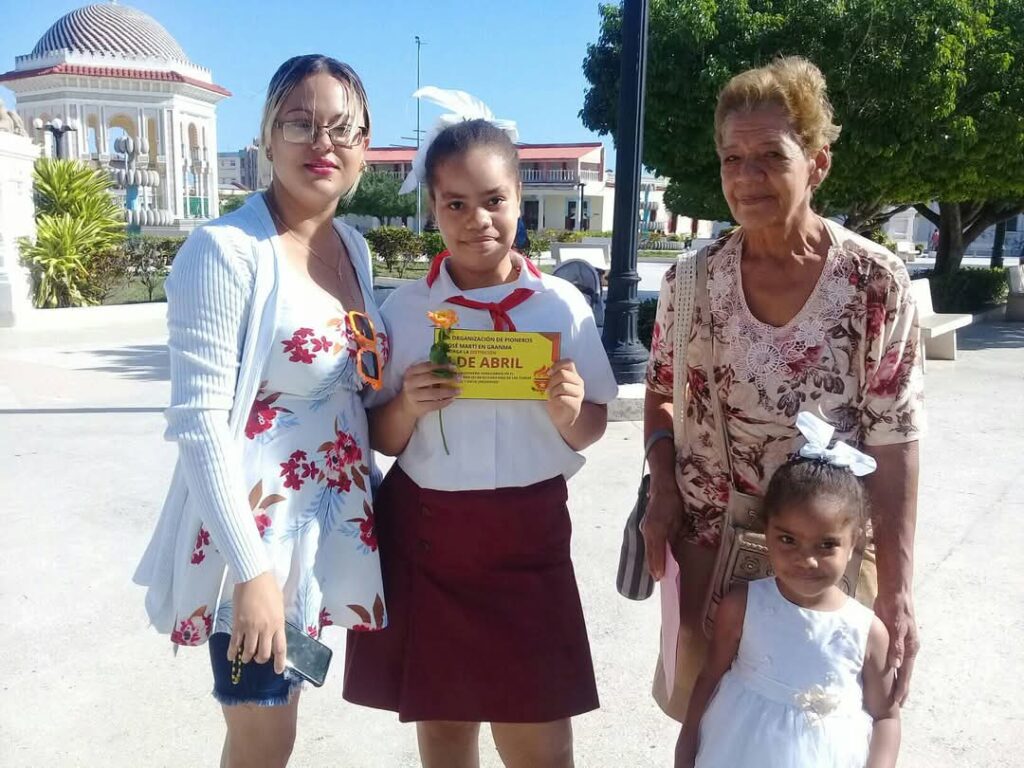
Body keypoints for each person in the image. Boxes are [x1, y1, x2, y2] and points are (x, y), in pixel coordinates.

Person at [642, 55, 924, 724]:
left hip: (826, 557)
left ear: (817, 163)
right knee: (714, 727)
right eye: (732, 159)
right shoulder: (689, 283)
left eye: (771, 156)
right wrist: (662, 487)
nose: (747, 177)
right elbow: (660, 393)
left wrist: (898, 589)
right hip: (710, 548)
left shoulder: (873, 284)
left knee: (817, 727)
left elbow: (896, 440)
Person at [343, 89, 618, 768]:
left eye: (493, 200)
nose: (477, 220)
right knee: (444, 731)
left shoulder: (562, 305)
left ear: (519, 198)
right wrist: (408, 405)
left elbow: (591, 427)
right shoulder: (406, 311)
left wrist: (568, 410)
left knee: (541, 740)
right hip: (431, 539)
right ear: (432, 207)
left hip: (530, 538)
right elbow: (381, 438)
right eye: (456, 204)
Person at [133, 55, 386, 768]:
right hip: (252, 539)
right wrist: (252, 574)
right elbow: (199, 424)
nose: (323, 144)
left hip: (323, 530)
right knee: (262, 736)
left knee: (280, 728)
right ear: (268, 138)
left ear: (365, 145)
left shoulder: (353, 247)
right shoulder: (224, 250)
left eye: (342, 128)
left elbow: (355, 388)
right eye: (300, 124)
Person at [678, 413, 900, 768]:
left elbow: (886, 715)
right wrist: (687, 748)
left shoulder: (867, 631)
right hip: (737, 751)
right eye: (788, 540)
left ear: (854, 543)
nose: (806, 560)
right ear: (766, 533)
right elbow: (709, 680)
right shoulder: (742, 607)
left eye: (826, 545)